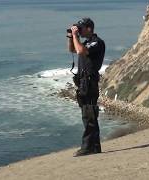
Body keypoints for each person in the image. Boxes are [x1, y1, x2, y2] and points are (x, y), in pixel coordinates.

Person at [66, 18, 105, 157]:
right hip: (83, 82)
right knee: (88, 115)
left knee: (89, 114)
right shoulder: (86, 43)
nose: (80, 30)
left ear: (89, 28)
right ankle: (95, 146)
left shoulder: (97, 42)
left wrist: (76, 36)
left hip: (89, 82)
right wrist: (71, 37)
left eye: (81, 28)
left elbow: (81, 51)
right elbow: (72, 49)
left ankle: (88, 147)